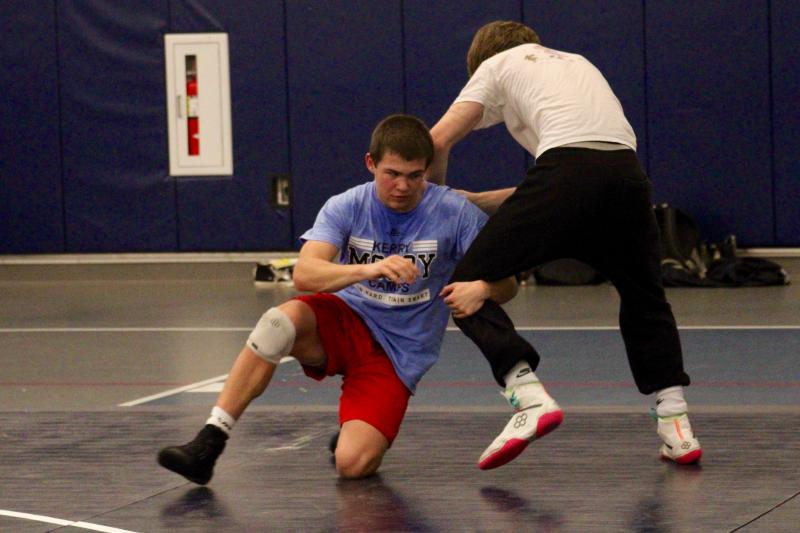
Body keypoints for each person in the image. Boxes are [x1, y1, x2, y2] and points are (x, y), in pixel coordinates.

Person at [157, 114, 518, 483]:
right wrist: (368, 269)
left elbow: (508, 283)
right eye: (392, 174)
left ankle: (357, 431)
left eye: (415, 176)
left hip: (398, 351)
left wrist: (483, 289)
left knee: (353, 464)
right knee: (277, 323)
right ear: (370, 163)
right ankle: (210, 441)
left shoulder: (455, 213)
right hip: (345, 320)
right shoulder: (348, 204)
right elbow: (305, 273)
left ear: (427, 170)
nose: (402, 186)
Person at [427, 20, 702, 470]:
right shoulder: (575, 63)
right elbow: (570, 175)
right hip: (627, 178)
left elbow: (437, 140)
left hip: (569, 175)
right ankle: (676, 424)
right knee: (645, 297)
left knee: (465, 283)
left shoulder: (496, 65)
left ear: (480, 62)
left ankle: (527, 396)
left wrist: (434, 206)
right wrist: (476, 201)